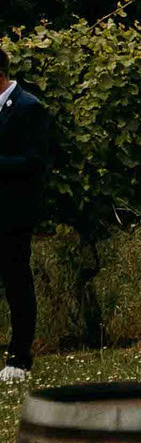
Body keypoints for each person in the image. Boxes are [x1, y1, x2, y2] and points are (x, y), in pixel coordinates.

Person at [0, 50, 50, 382]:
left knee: (16, 283)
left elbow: (36, 162)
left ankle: (20, 358)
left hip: (13, 212)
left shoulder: (29, 107)